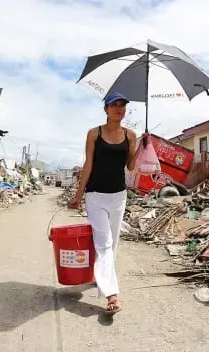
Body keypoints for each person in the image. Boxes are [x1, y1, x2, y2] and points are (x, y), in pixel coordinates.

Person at [68, 91, 145, 315]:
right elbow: (88, 165)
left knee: (112, 244)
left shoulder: (130, 135)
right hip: (95, 195)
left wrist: (141, 146)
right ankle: (112, 294)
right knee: (103, 244)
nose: (119, 109)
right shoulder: (94, 133)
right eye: (114, 105)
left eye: (123, 105)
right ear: (106, 109)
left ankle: (101, 278)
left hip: (118, 196)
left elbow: (131, 167)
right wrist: (78, 195)